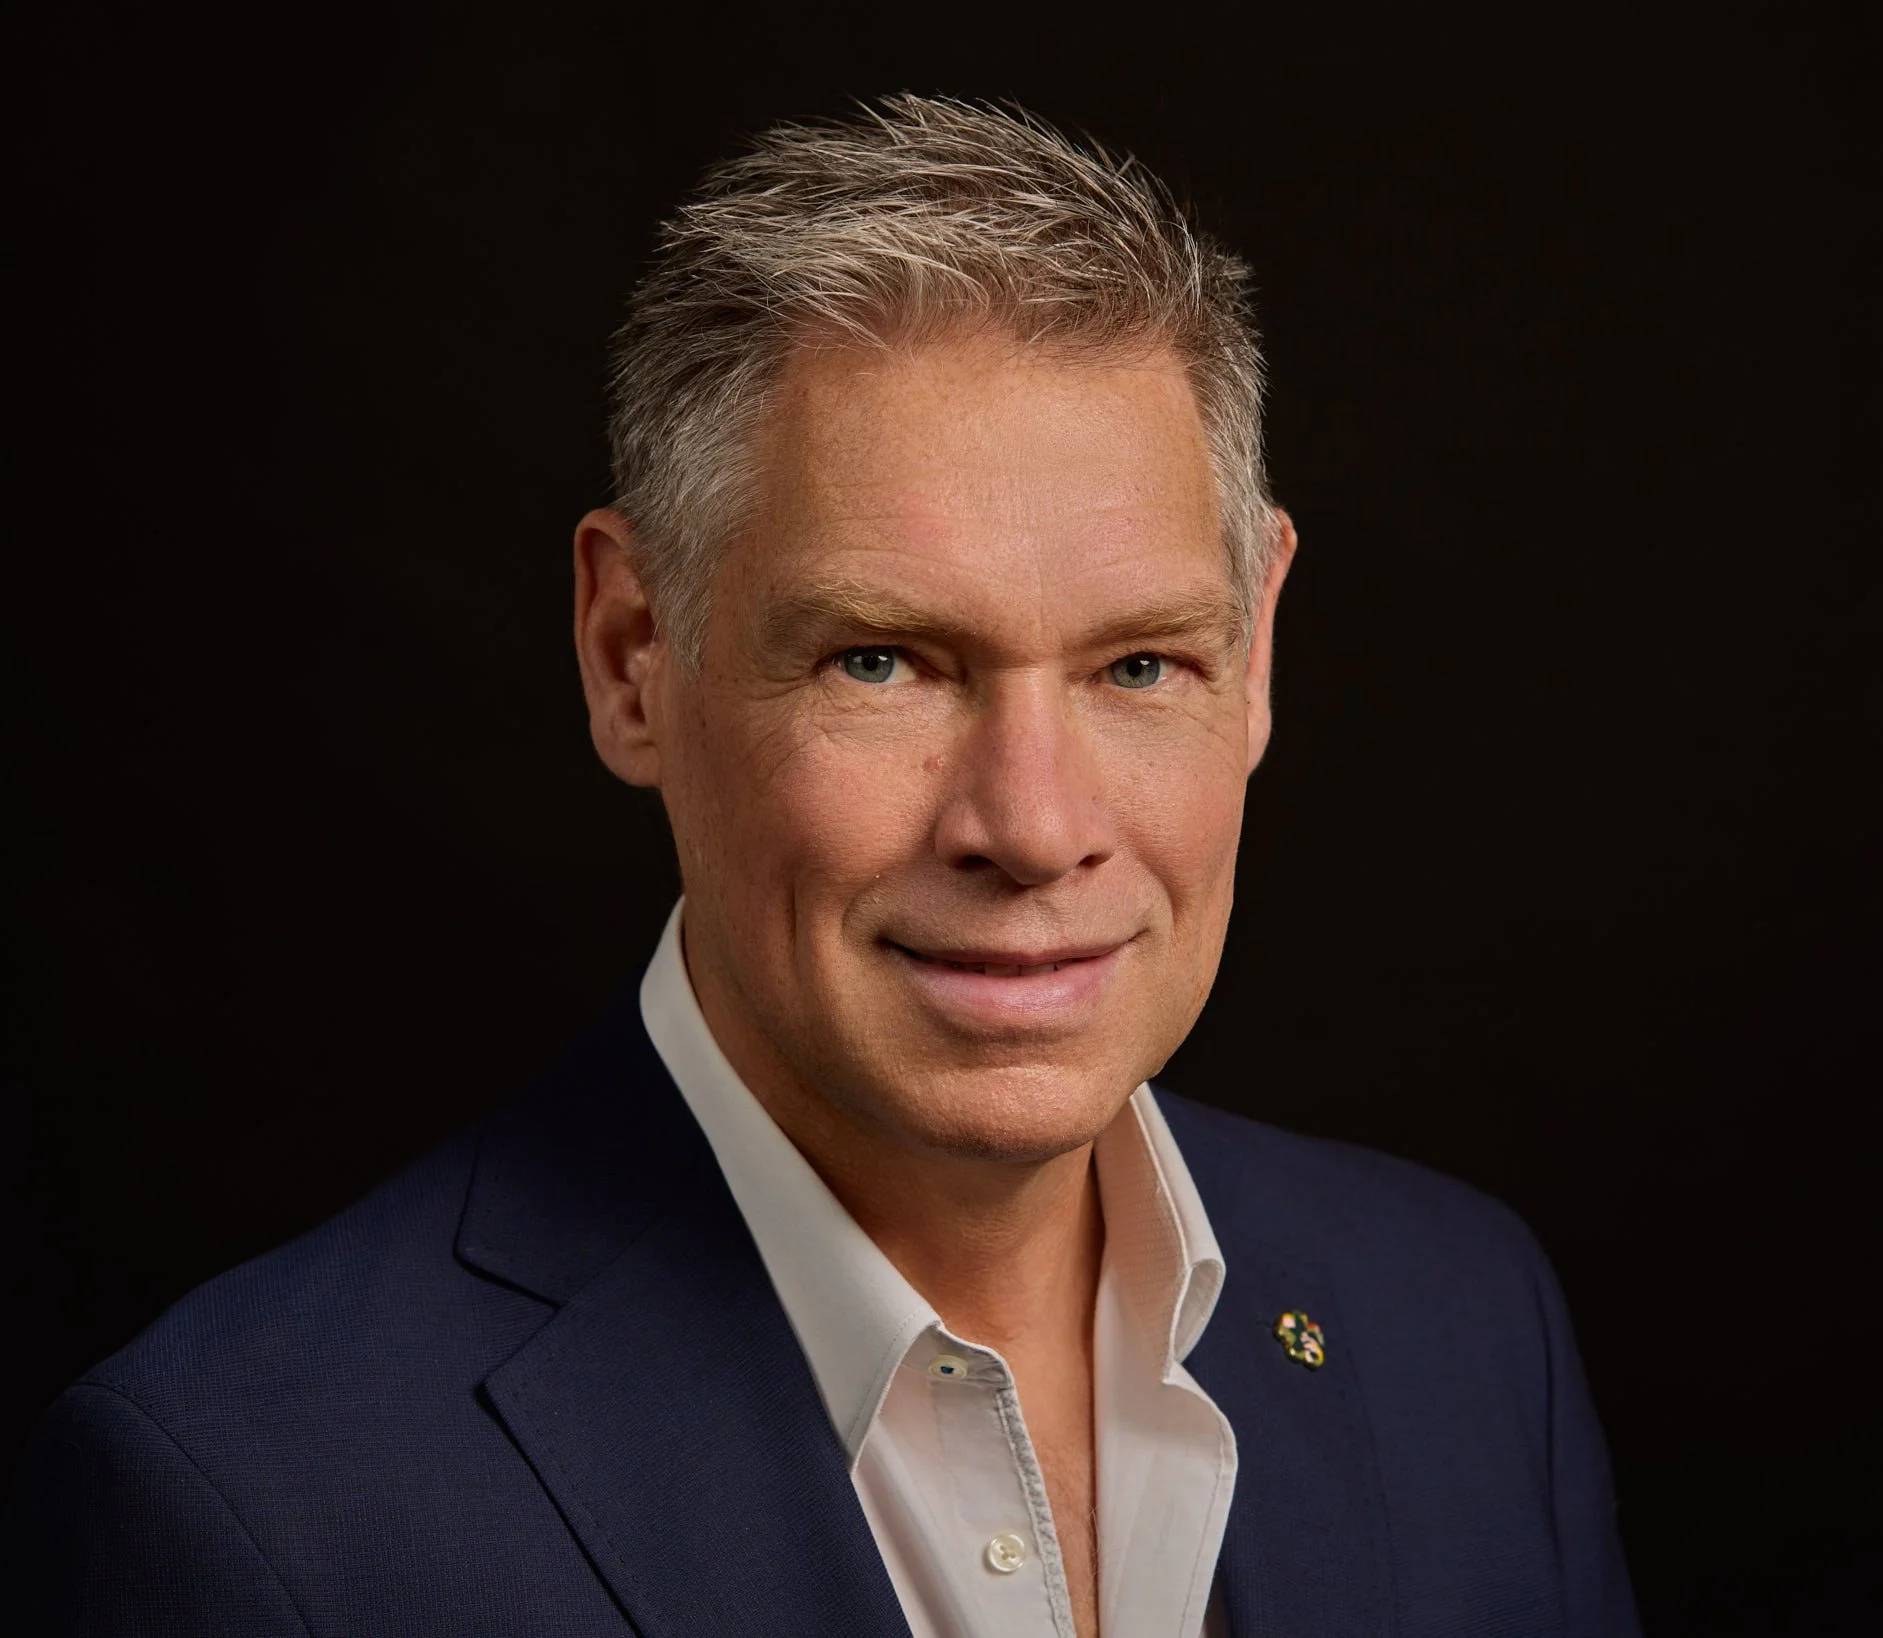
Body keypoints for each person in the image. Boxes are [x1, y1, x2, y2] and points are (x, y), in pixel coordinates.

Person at [5, 96, 1639, 1636]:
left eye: (1138, 665)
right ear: (632, 652)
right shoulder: (253, 1507)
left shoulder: (1462, 1321)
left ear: (1259, 649)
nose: (1032, 822)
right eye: (884, 662)